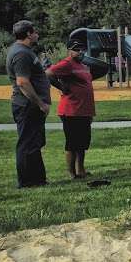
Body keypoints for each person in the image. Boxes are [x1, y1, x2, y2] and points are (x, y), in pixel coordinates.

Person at [6, 20, 51, 188]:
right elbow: (23, 82)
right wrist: (40, 103)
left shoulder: (25, 51)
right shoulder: (21, 54)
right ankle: (26, 182)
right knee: (27, 143)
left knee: (34, 142)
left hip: (31, 106)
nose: (37, 34)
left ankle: (38, 180)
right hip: (27, 106)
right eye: (35, 31)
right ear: (28, 34)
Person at [46, 36, 96, 179]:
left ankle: (81, 170)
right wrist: (61, 87)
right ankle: (71, 173)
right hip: (71, 110)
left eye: (82, 50)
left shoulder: (83, 66)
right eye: (76, 50)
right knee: (72, 143)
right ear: (69, 51)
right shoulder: (67, 64)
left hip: (85, 110)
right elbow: (49, 73)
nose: (80, 52)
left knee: (82, 143)